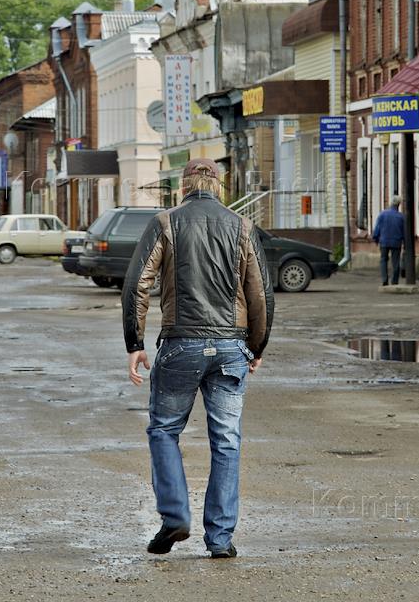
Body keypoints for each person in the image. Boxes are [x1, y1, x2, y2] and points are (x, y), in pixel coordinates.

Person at [122, 158, 273, 559]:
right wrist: (256, 347)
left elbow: (137, 285)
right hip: (230, 348)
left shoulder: (165, 223)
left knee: (164, 430)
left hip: (180, 344)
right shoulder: (241, 226)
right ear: (219, 187)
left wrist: (134, 343)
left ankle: (175, 515)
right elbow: (260, 294)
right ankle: (220, 539)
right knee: (226, 441)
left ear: (183, 188)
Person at [372, 196, 405, 286]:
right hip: (396, 242)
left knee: (383, 260)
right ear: (398, 205)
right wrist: (405, 243)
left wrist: (375, 238)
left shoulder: (383, 214)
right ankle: (394, 281)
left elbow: (377, 228)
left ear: (391, 203)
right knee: (396, 262)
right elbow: (404, 231)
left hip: (384, 241)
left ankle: (384, 279)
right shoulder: (401, 217)